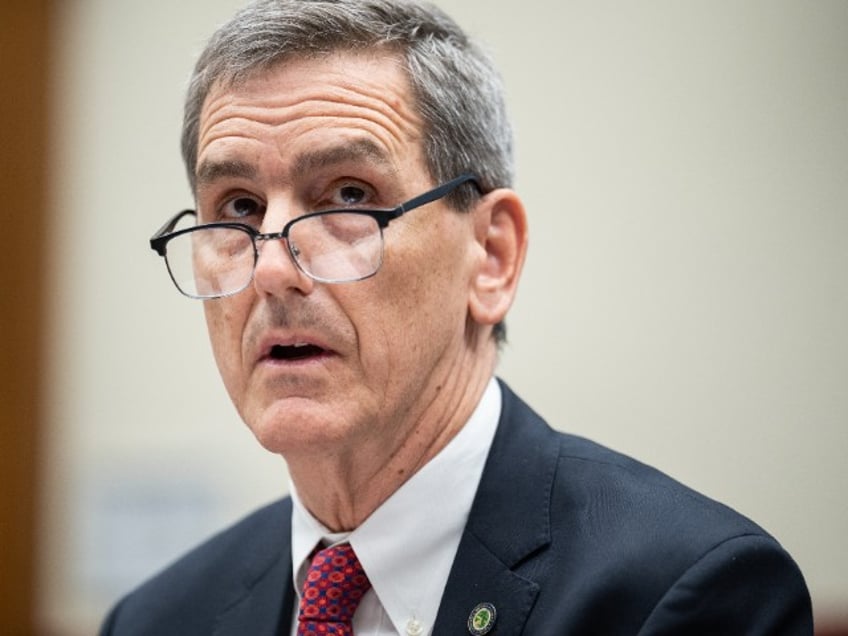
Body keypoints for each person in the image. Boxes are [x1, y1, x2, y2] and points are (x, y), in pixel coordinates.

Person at [100, 0, 813, 634]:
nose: (272, 268)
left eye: (348, 196)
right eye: (238, 209)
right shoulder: (158, 616)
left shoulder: (682, 593)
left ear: (491, 255)